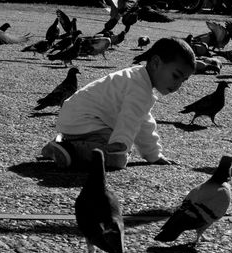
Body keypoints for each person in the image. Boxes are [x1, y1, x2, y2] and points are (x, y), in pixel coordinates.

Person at [41, 37, 196, 170]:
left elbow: (143, 122)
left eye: (183, 81)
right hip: (84, 120)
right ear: (156, 63)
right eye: (176, 76)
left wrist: (154, 154)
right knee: (116, 158)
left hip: (76, 119)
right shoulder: (139, 88)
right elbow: (129, 121)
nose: (177, 85)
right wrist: (120, 149)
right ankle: (70, 150)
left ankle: (60, 146)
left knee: (112, 145)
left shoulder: (137, 79)